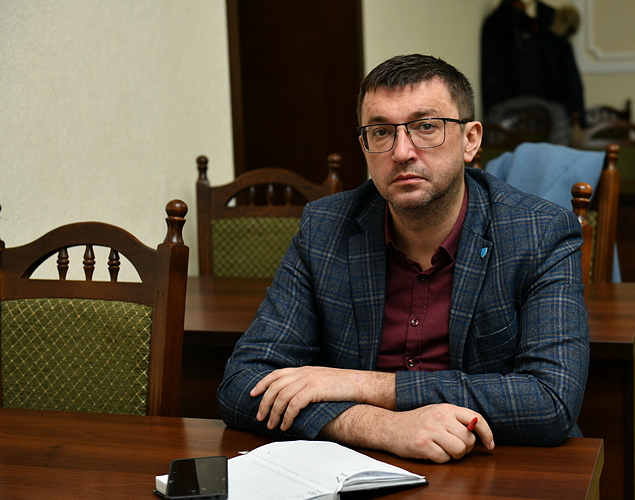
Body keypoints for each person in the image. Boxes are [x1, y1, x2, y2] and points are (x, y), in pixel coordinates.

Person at [217, 54, 589, 464]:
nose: (401, 151)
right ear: (364, 146)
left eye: (426, 126)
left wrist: (363, 385)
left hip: (498, 467)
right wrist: (381, 427)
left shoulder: (538, 231)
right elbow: (243, 383)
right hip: (361, 467)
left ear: (470, 140)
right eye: (381, 132)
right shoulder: (325, 228)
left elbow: (550, 400)